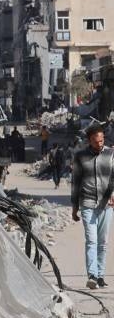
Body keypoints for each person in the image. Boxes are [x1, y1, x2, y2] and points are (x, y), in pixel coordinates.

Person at [71, 123, 114, 289]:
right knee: (91, 240)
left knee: (102, 242)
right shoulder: (80, 156)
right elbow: (75, 183)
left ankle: (101, 275)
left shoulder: (110, 154)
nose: (100, 144)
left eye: (102, 140)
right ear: (90, 140)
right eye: (97, 141)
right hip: (87, 203)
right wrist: (74, 207)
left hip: (106, 204)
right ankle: (92, 275)